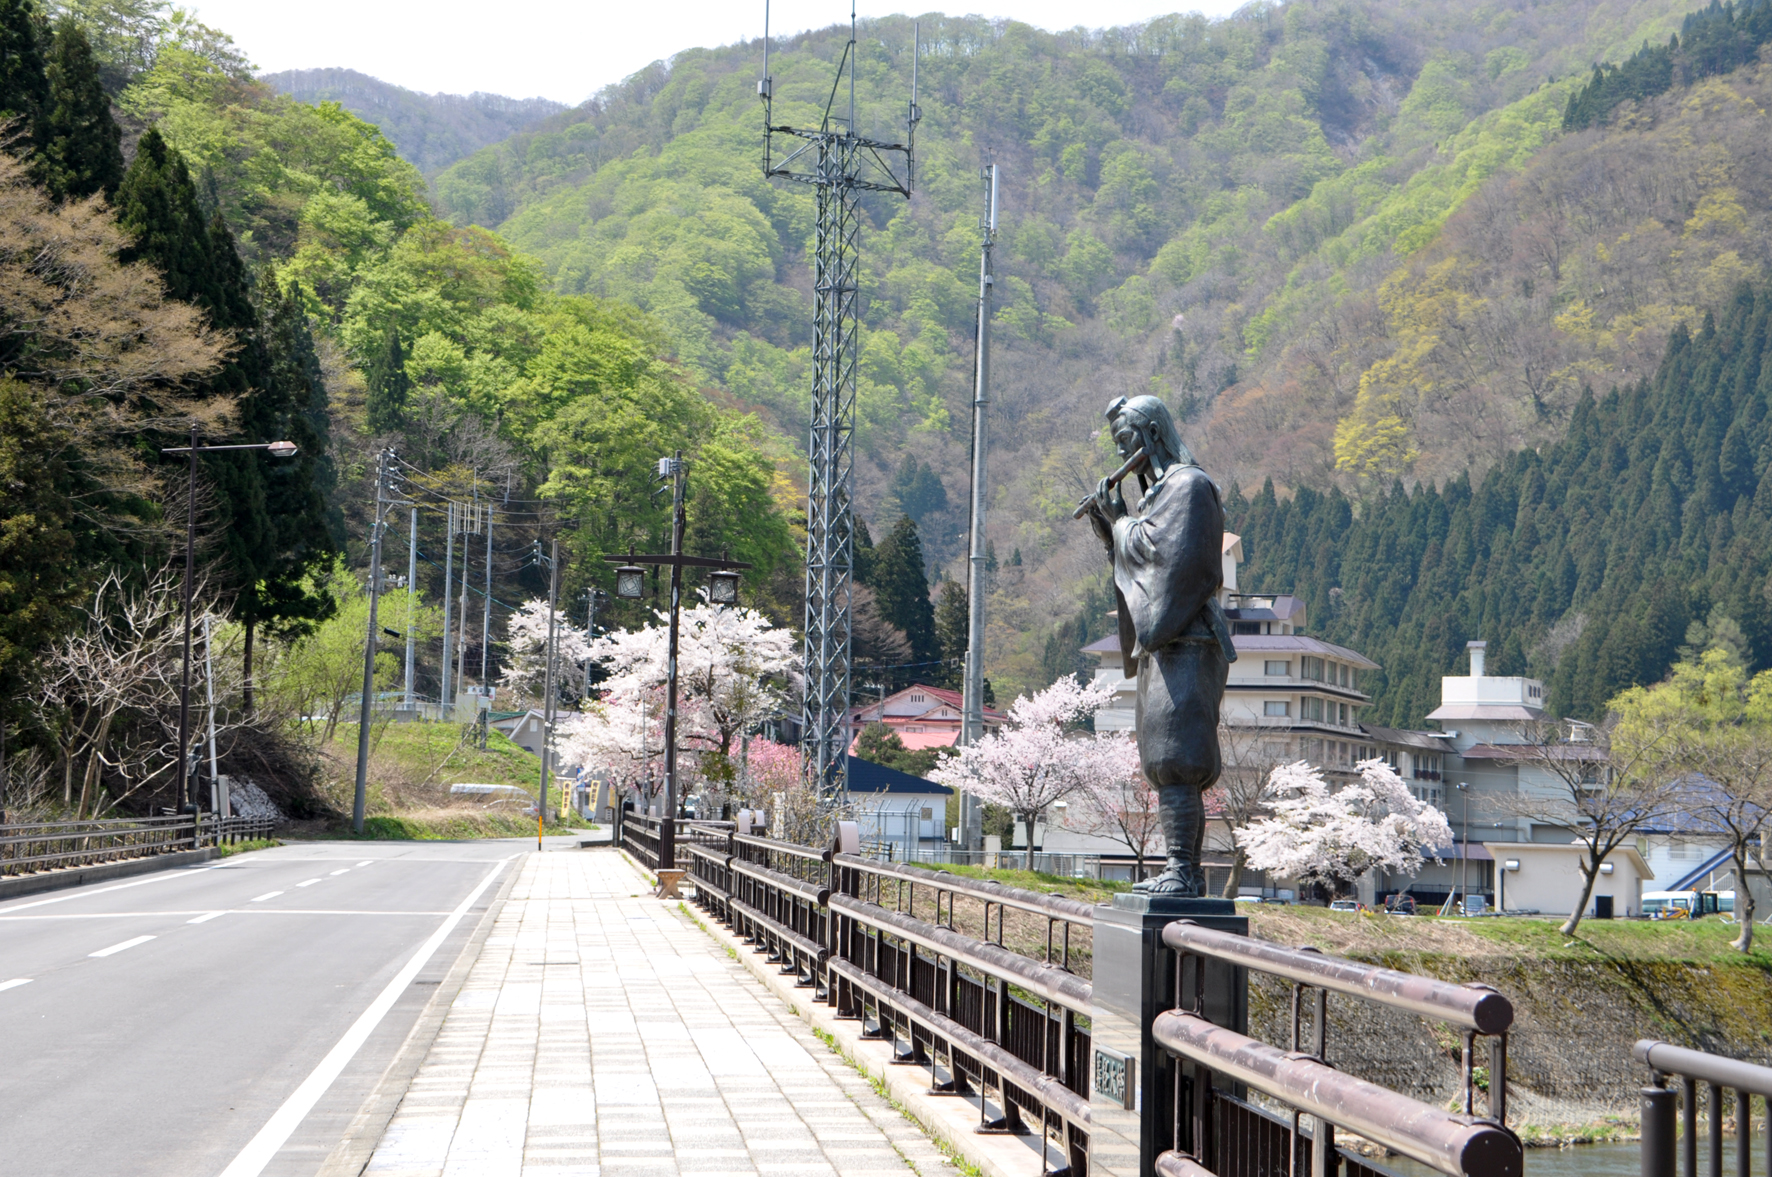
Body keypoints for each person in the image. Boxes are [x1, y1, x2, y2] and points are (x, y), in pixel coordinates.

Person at [1081, 395, 1235, 896]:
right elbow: (1137, 557)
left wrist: (1121, 522)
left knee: (1179, 756)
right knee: (1164, 756)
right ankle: (1181, 873)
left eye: (1126, 440)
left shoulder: (1189, 486)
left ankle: (1182, 871)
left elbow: (1171, 561)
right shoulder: (1161, 495)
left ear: (1150, 434)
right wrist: (1113, 528)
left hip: (1187, 639)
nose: (1123, 452)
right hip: (1167, 645)